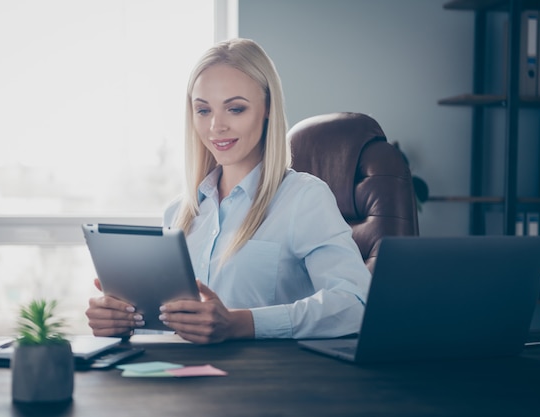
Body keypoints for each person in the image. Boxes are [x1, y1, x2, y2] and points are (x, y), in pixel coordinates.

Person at [85, 38, 371, 344]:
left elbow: (357, 305)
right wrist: (125, 319)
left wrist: (241, 323)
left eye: (235, 109)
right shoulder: (180, 213)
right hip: (185, 382)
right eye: (203, 110)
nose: (215, 127)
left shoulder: (303, 198)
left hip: (266, 382)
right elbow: (170, 329)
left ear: (268, 109)